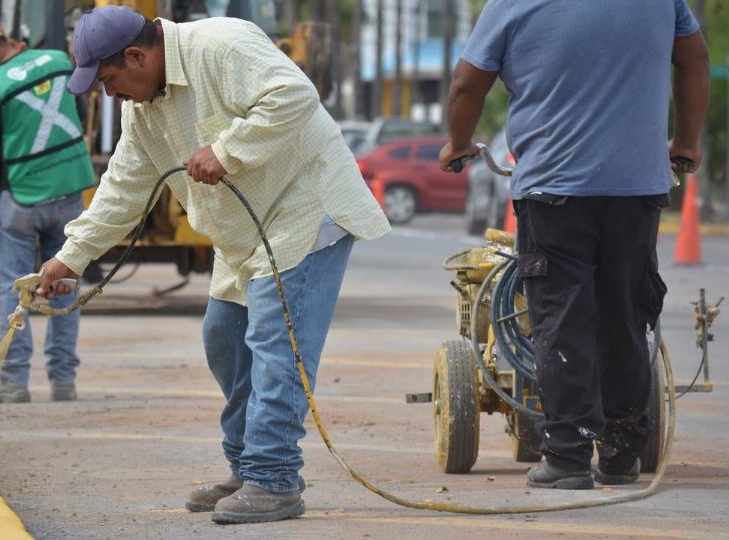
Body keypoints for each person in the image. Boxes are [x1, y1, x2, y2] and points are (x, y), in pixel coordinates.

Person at [36, 6, 390, 524]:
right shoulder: (144, 108)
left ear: (137, 55)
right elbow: (125, 187)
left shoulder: (221, 44)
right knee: (223, 334)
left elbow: (294, 95)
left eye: (110, 81)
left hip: (304, 207)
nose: (109, 95)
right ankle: (248, 466)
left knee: (275, 341)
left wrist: (229, 149)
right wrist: (71, 256)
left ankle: (274, 478)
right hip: (245, 230)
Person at [440, 1, 710, 489]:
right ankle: (621, 454)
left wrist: (457, 142)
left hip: (553, 192)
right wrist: (687, 141)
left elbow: (466, 84)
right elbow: (694, 59)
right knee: (626, 314)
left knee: (562, 318)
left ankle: (566, 457)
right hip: (636, 192)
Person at [0, 20, 96, 403]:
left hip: (20, 201)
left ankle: (14, 384)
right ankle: (63, 382)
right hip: (67, 191)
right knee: (64, 285)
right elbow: (79, 115)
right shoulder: (59, 62)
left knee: (14, 291)